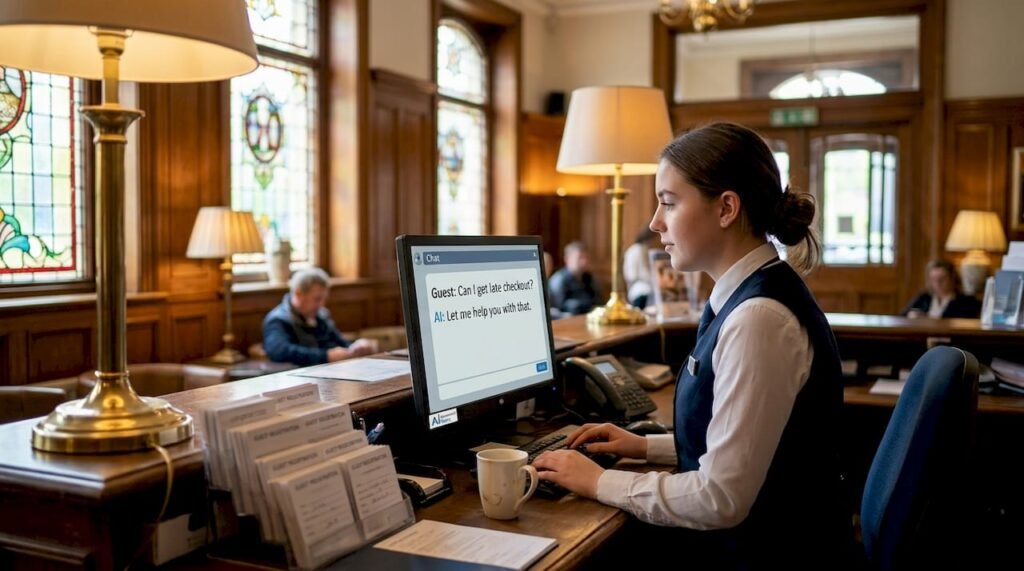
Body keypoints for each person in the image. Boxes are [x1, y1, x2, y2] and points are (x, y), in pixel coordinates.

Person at [533, 122, 852, 569]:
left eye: (668, 202)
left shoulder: (758, 320)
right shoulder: (748, 296)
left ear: (726, 208)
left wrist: (599, 482)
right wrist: (646, 446)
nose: (654, 222)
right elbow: (748, 439)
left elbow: (720, 496)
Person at [262, 267, 378, 366]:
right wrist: (325, 356)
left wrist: (355, 346)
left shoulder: (320, 315)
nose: (322, 305)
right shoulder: (277, 320)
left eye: (324, 299)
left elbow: (338, 342)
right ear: (298, 294)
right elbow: (279, 351)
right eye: (317, 299)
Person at [901, 259, 981, 318]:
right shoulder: (923, 298)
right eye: (933, 279)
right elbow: (902, 316)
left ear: (952, 279)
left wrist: (927, 318)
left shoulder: (966, 302)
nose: (937, 283)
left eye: (942, 279)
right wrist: (911, 314)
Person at [547, 241, 601, 316]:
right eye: (580, 257)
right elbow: (557, 308)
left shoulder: (590, 278)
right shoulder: (558, 280)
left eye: (586, 258)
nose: (584, 262)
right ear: (567, 259)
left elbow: (597, 302)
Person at [623, 227, 659, 308]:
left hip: (640, 288)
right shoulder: (638, 250)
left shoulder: (640, 249)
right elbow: (641, 274)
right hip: (640, 290)